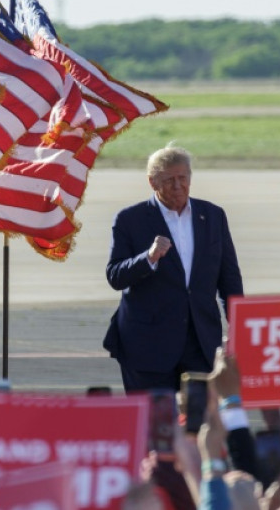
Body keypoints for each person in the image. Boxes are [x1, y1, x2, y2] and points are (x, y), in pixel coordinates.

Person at [104, 143, 244, 391]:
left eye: (183, 178)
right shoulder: (130, 220)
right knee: (156, 425)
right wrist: (148, 257)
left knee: (201, 421)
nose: (178, 186)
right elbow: (115, 276)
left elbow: (229, 277)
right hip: (148, 345)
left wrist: (239, 324)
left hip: (200, 340)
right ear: (152, 182)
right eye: (169, 180)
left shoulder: (212, 216)